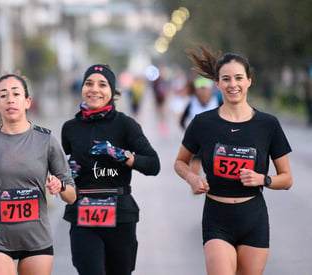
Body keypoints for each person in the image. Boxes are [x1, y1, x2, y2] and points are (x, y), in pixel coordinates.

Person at [174, 46, 293, 275]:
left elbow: (287, 179)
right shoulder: (203, 123)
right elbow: (180, 162)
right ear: (217, 84)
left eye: (239, 78)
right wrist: (191, 177)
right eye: (226, 79)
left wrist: (263, 178)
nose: (233, 84)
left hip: (253, 217)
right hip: (217, 217)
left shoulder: (268, 125)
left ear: (249, 81)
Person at [0, 73, 77, 275]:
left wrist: (61, 186)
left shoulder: (46, 140)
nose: (10, 99)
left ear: (27, 101)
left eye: (16, 94)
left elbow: (72, 195)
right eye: (3, 95)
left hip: (36, 238)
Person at [61, 64, 160, 275]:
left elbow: (153, 164)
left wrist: (123, 155)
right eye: (89, 83)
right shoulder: (70, 128)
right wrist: (68, 173)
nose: (94, 89)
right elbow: (65, 169)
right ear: (82, 88)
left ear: (112, 92)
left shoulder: (125, 125)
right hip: (82, 213)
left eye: (102, 84)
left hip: (120, 215)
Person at [179, 76, 221, 175]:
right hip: (197, 142)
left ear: (210, 90)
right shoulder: (192, 103)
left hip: (215, 142)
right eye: (200, 90)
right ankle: (196, 188)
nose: (203, 93)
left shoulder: (218, 102)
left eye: (205, 89)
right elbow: (182, 121)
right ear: (196, 91)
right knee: (195, 168)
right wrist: (189, 133)